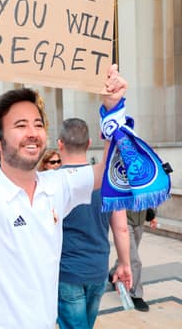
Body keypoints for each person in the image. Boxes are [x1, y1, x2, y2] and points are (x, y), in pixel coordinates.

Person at [0, 35, 128, 328]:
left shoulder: (57, 185)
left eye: (37, 124)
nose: (33, 132)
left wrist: (114, 109)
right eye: (20, 126)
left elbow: (106, 173)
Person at [56, 118, 131, 329]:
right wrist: (124, 264)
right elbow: (122, 228)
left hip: (66, 271)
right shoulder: (108, 182)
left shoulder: (50, 182)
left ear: (60, 143)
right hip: (97, 268)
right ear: (89, 143)